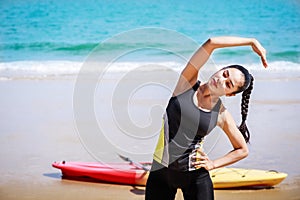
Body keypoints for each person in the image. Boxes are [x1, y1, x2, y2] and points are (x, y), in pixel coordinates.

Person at [145, 36, 268, 200]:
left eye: (228, 84)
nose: (221, 80)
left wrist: (213, 164)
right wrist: (251, 42)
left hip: (196, 178)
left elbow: (242, 150)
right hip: (160, 173)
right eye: (224, 74)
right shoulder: (186, 84)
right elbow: (211, 43)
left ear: (230, 94)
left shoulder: (221, 114)